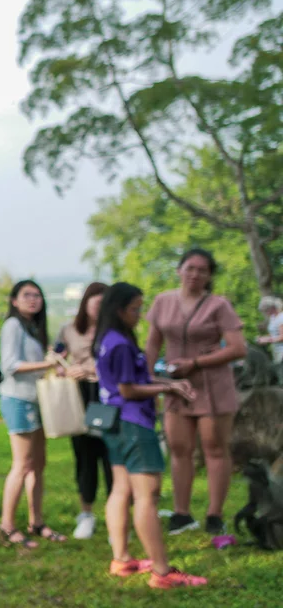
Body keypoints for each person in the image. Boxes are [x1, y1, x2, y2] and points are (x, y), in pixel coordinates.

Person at [95, 283, 207, 589]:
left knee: (121, 489)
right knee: (148, 496)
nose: (139, 315)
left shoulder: (109, 339)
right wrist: (168, 387)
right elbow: (129, 390)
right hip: (132, 423)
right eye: (135, 309)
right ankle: (162, 571)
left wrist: (166, 382)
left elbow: (135, 378)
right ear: (119, 310)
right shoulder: (119, 343)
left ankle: (122, 559)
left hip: (113, 423)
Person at [144, 248, 248, 536]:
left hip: (212, 385)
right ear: (179, 270)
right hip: (176, 386)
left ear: (210, 275)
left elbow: (239, 348)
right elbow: (153, 343)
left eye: (202, 270)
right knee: (179, 449)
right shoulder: (163, 301)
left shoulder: (219, 305)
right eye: (190, 268)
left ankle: (215, 514)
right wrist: (149, 379)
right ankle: (182, 513)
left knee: (215, 448)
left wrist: (196, 362)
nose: (195, 274)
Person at [0, 279, 66, 548]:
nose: (33, 299)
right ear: (14, 300)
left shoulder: (33, 328)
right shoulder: (12, 325)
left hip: (37, 401)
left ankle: (36, 522)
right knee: (22, 465)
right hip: (18, 400)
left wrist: (51, 364)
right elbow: (10, 365)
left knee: (39, 464)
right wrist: (46, 364)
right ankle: (7, 526)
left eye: (37, 295)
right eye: (26, 295)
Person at [53, 280, 112, 540]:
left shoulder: (114, 332)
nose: (100, 309)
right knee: (84, 456)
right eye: (96, 303)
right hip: (79, 397)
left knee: (111, 457)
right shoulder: (68, 330)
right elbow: (55, 356)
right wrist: (61, 368)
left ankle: (116, 515)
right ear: (85, 303)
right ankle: (86, 513)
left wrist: (89, 369)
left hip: (108, 397)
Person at [255, 295, 283, 364]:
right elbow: (274, 335)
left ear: (271, 308)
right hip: (276, 350)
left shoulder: (281, 318)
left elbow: (282, 337)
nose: (265, 313)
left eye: (265, 310)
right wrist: (263, 338)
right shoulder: (272, 318)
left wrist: (267, 340)